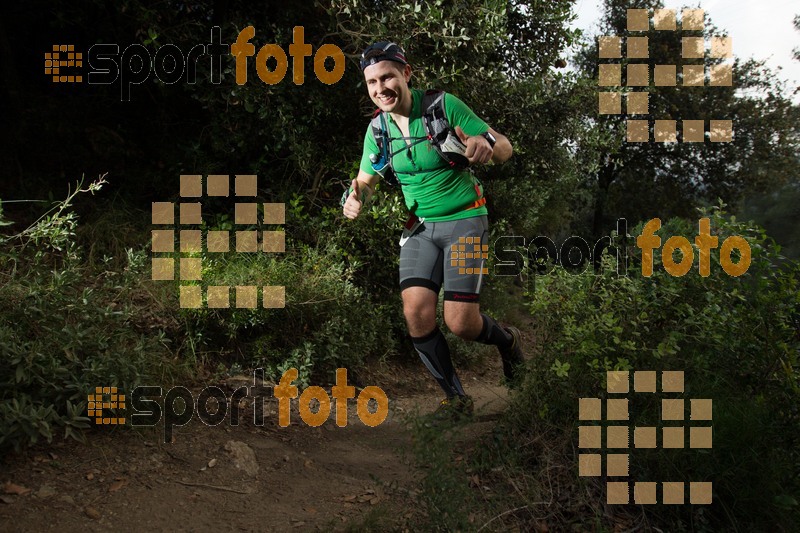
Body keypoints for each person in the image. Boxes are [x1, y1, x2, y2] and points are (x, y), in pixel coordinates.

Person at [342, 42, 523, 418]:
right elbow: (365, 181)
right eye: (372, 82)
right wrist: (354, 197)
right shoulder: (377, 130)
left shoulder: (442, 107)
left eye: (388, 76)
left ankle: (507, 341)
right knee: (417, 314)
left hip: (465, 220)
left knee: (460, 323)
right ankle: (456, 400)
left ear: (406, 74)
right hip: (420, 228)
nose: (381, 88)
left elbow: (503, 145)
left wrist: (482, 144)